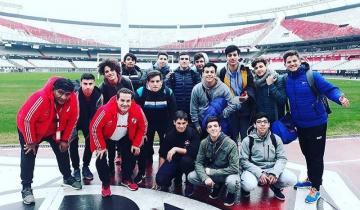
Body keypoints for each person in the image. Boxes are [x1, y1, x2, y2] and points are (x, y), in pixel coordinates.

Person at [283, 50, 350, 203]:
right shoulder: (286, 79)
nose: (292, 64)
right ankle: (310, 177)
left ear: (300, 61)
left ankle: (316, 187)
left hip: (316, 123)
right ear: (285, 64)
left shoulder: (312, 76)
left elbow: (330, 89)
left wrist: (340, 97)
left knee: (316, 156)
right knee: (306, 153)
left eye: (294, 60)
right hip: (300, 124)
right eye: (289, 62)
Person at [17, 77, 82, 205]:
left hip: (55, 130)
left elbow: (73, 119)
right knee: (28, 154)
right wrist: (30, 141)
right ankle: (26, 187)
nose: (63, 97)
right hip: (32, 129)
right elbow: (27, 120)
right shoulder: (40, 97)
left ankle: (67, 177)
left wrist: (65, 139)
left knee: (63, 150)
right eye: (60, 93)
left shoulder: (73, 98)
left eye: (67, 94)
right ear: (53, 90)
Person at [90, 88, 147, 196]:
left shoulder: (137, 109)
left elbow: (143, 126)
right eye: (122, 100)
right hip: (106, 136)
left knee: (131, 153)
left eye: (128, 101)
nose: (125, 104)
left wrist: (136, 143)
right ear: (117, 99)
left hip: (124, 136)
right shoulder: (105, 110)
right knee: (100, 157)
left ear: (132, 101)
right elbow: (94, 127)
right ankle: (105, 184)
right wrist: (100, 146)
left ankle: (126, 179)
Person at [240, 112, 297, 201]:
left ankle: (274, 185)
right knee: (249, 185)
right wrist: (259, 173)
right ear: (254, 125)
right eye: (259, 122)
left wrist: (274, 173)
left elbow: (282, 158)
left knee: (292, 179)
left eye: (265, 122)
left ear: (269, 124)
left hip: (271, 169)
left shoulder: (276, 139)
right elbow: (243, 161)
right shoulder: (247, 141)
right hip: (254, 170)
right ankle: (245, 189)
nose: (262, 124)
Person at [135, 70, 177, 184]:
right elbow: (136, 112)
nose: (155, 84)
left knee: (165, 147)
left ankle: (164, 172)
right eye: (152, 81)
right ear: (147, 82)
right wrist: (141, 130)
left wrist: (170, 130)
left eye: (158, 81)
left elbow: (173, 112)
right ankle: (141, 172)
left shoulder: (168, 92)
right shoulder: (140, 92)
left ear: (162, 81)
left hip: (164, 123)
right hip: (146, 123)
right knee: (144, 148)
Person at [188, 116, 240, 207]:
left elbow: (235, 168)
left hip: (228, 173)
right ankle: (217, 185)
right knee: (191, 177)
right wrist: (205, 178)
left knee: (232, 182)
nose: (213, 128)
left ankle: (231, 193)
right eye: (210, 127)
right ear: (207, 130)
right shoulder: (204, 143)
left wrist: (212, 172)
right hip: (213, 173)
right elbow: (198, 163)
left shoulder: (231, 144)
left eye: (215, 126)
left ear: (220, 128)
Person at [98, 58, 134, 166]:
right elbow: (102, 105)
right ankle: (111, 163)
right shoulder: (103, 86)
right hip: (111, 116)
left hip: (125, 114)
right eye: (106, 72)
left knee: (124, 138)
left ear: (116, 70)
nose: (109, 73)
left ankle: (122, 157)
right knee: (110, 140)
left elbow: (132, 99)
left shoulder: (126, 81)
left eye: (111, 70)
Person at [155, 110, 200, 196]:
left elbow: (194, 151)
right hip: (174, 161)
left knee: (186, 161)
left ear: (187, 122)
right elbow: (162, 154)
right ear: (174, 122)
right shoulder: (169, 135)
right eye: (179, 123)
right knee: (160, 179)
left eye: (184, 123)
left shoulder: (192, 132)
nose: (181, 126)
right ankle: (176, 177)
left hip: (188, 161)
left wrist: (175, 149)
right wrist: (160, 171)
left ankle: (189, 183)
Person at [69, 73, 103, 181]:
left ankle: (85, 166)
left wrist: (93, 130)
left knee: (89, 142)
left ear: (94, 84)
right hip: (74, 120)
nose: (87, 86)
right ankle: (75, 168)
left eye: (90, 84)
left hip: (88, 120)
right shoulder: (75, 95)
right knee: (73, 142)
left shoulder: (99, 95)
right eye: (85, 84)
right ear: (80, 84)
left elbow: (99, 114)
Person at [190, 62, 237, 139]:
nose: (209, 74)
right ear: (203, 73)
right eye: (207, 72)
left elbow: (232, 104)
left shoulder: (223, 88)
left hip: (218, 121)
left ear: (215, 74)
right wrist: (196, 125)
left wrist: (222, 114)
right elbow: (193, 108)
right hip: (203, 121)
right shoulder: (196, 89)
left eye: (212, 72)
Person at [219, 45, 256, 141]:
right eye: (229, 55)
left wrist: (247, 94)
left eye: (234, 55)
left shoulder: (246, 70)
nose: (232, 57)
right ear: (226, 57)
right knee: (232, 138)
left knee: (245, 138)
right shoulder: (222, 72)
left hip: (245, 109)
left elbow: (251, 85)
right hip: (231, 109)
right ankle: (233, 156)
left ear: (238, 56)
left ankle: (245, 156)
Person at [251, 57, 286, 123]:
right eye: (256, 68)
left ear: (266, 66)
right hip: (262, 120)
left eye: (261, 66)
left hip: (276, 119)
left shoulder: (277, 79)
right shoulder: (254, 83)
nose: (259, 69)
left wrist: (271, 85)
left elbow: (282, 100)